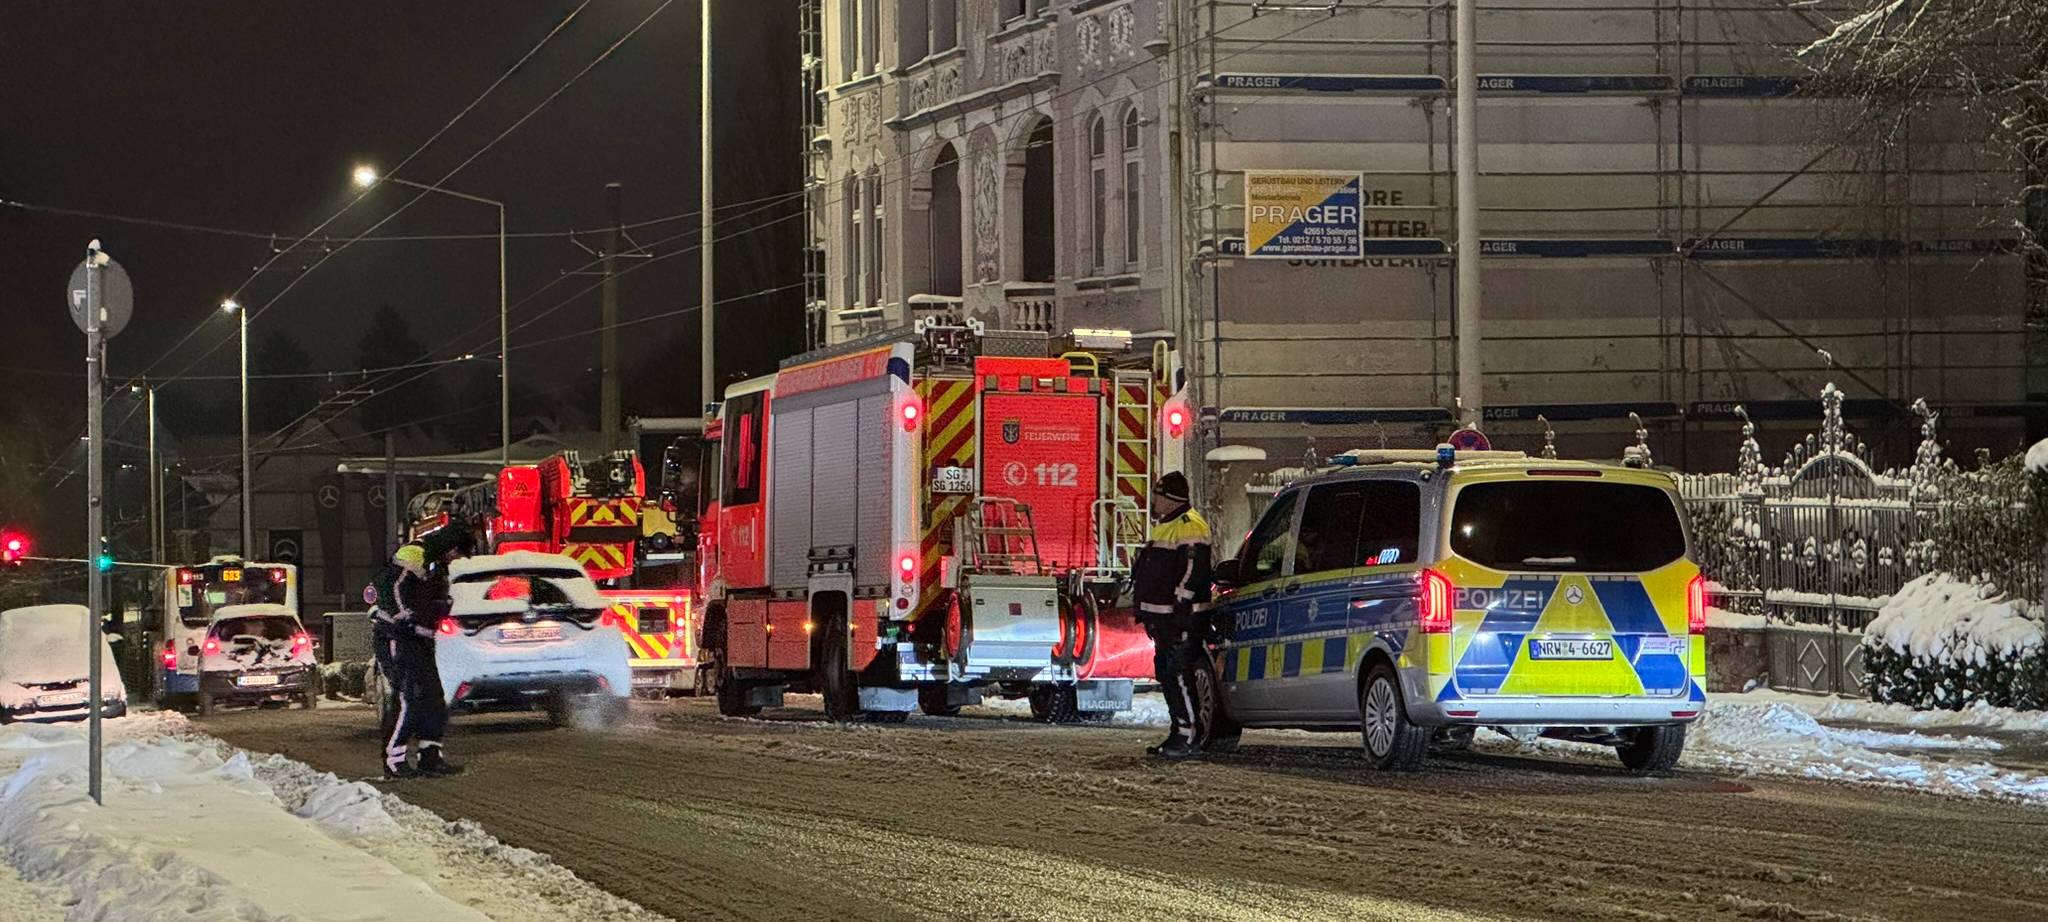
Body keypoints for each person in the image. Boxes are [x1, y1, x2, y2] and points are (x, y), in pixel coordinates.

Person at [1130, 471, 1212, 759]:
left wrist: (1180, 603)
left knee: (1178, 673)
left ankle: (1187, 735)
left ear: (1170, 499)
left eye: (1158, 496)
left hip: (1181, 617)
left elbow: (1192, 570)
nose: (1154, 501)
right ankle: (1180, 731)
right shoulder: (1166, 525)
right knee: (1167, 672)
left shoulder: (1190, 525)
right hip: (1164, 617)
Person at [371, 529, 465, 778]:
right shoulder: (414, 553)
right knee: (407, 697)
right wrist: (405, 617)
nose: (456, 559)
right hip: (397, 637)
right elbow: (392, 585)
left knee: (434, 697)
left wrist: (440, 609)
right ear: (449, 547)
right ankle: (394, 760)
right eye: (457, 553)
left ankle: (430, 756)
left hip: (421, 639)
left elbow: (434, 599)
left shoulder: (437, 567)